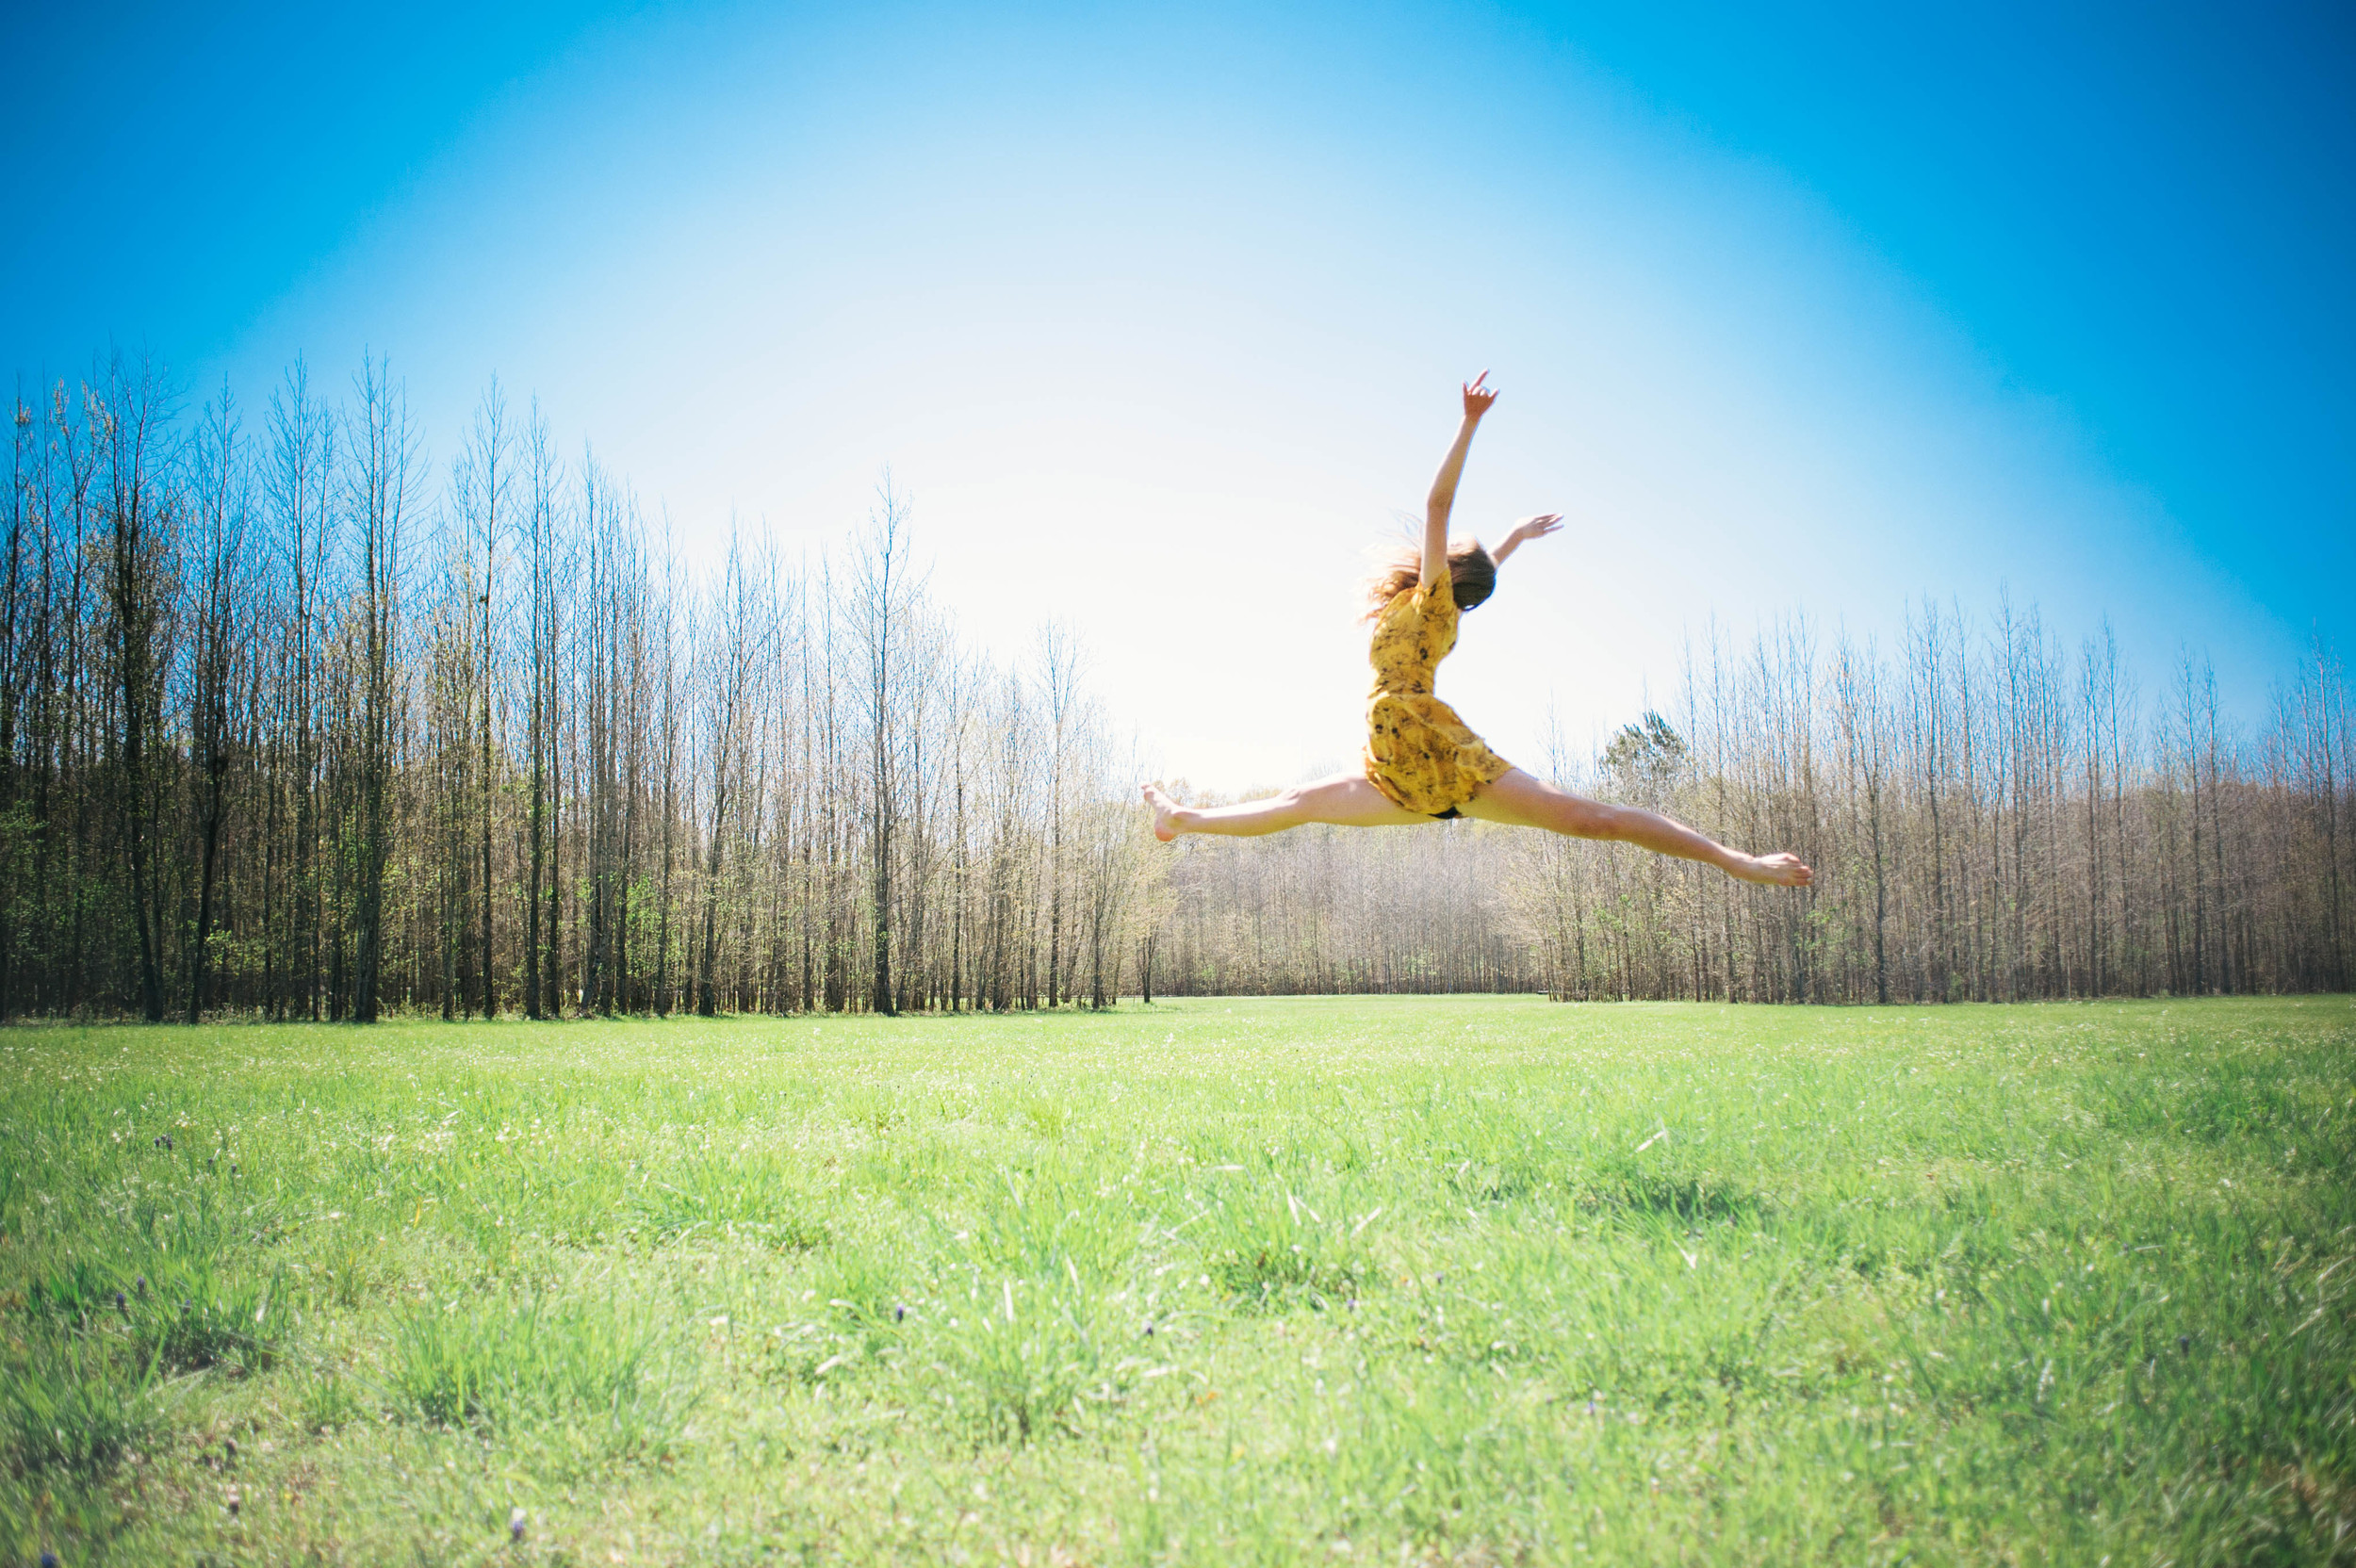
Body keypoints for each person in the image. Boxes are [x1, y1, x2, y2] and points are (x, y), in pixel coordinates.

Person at [1140, 373, 1814, 889]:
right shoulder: (1437, 607)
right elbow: (1472, 565)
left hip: (1444, 756)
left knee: (1594, 820)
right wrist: (1514, 538)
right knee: (1297, 803)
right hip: (1397, 769)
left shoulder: (1435, 604)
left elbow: (1436, 504)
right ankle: (1180, 819)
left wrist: (1467, 425)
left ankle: (1738, 863)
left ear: (1451, 575)